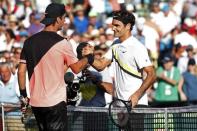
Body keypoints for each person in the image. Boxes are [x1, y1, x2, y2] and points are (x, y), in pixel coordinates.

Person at [17, 3, 93, 131]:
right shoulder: (62, 43)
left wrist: (23, 95)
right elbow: (76, 68)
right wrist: (90, 57)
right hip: (55, 103)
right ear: (58, 19)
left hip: (36, 103)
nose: (64, 21)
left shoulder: (28, 41)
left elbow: (20, 72)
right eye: (63, 18)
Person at [85, 10, 156, 108]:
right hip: (119, 105)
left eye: (117, 25)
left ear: (128, 26)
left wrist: (137, 95)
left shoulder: (137, 47)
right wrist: (89, 56)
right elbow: (101, 65)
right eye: (113, 25)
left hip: (136, 104)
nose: (113, 28)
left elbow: (151, 74)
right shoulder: (115, 43)